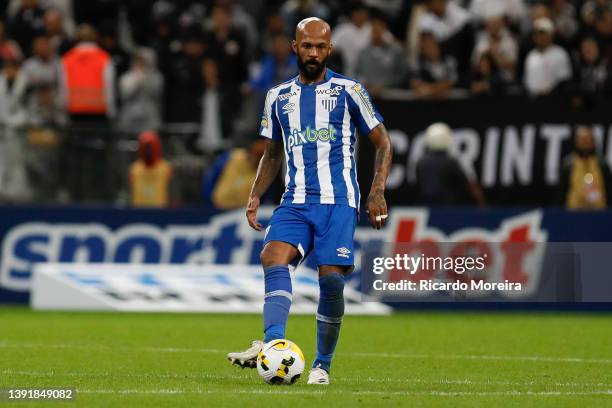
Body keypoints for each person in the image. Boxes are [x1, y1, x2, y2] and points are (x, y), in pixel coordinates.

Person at [226, 17, 392, 385]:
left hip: (339, 201)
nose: (313, 53)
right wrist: (254, 194)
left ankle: (322, 365)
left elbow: (382, 141)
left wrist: (377, 189)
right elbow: (272, 154)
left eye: (320, 47)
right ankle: (271, 345)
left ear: (329, 50)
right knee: (272, 256)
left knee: (331, 282)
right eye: (307, 46)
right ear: (294, 47)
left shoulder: (350, 91)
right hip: (295, 200)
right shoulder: (278, 97)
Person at [415, 123, 486, 207]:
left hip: (427, 207)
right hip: (448, 209)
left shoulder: (420, 162)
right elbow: (468, 185)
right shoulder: (451, 162)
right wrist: (482, 205)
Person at [202, 139, 266, 210]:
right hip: (218, 207)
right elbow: (211, 178)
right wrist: (208, 201)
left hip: (243, 211)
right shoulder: (233, 156)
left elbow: (266, 198)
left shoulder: (265, 171)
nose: (256, 159)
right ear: (250, 152)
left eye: (260, 157)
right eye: (256, 154)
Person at [560, 126, 612, 209]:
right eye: (582, 139)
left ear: (593, 141)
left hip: (599, 213)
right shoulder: (569, 164)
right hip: (573, 212)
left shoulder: (602, 163)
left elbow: (609, 189)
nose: (584, 142)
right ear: (577, 141)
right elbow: (561, 191)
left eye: (587, 139)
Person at [523, 17, 572, 97]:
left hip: (553, 99)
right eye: (537, 34)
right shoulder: (531, 55)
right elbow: (526, 80)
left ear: (551, 35)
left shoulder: (560, 53)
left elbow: (564, 79)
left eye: (543, 34)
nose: (540, 37)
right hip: (532, 100)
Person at [128, 130, 173, 208]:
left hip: (160, 211)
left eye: (151, 147)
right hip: (139, 212)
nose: (148, 151)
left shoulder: (166, 167)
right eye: (146, 148)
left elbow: (173, 194)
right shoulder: (134, 168)